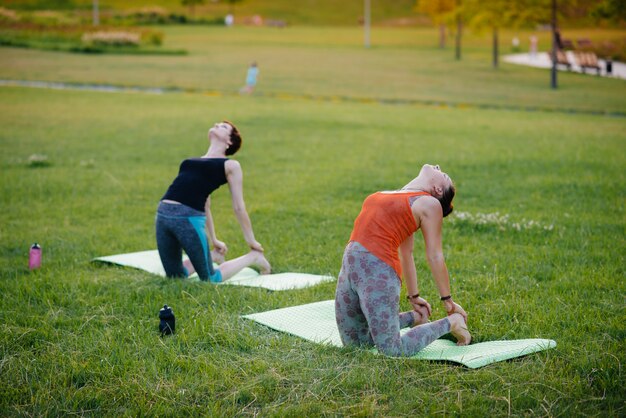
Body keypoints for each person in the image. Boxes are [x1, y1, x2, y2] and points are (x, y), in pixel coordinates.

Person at [335, 164, 470, 357]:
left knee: (392, 350)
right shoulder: (399, 196)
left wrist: (447, 301)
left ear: (438, 190)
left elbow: (435, 255)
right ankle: (416, 317)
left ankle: (453, 322)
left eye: (444, 174)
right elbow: (406, 253)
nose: (438, 167)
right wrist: (413, 297)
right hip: (349, 270)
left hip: (378, 272)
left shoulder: (429, 204)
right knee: (354, 344)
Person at [156, 120, 270, 283]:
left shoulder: (230, 165)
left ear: (229, 141)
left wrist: (251, 241)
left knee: (210, 278)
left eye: (223, 127)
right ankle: (215, 255)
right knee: (175, 276)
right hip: (162, 216)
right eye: (216, 124)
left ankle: (254, 257)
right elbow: (206, 205)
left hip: (188, 219)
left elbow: (239, 207)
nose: (217, 125)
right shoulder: (189, 162)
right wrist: (214, 239)